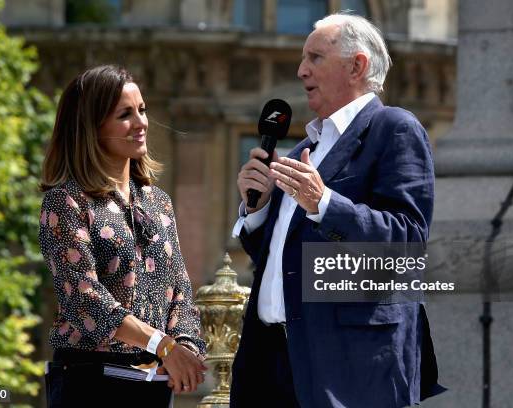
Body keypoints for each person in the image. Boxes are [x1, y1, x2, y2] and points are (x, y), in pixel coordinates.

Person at [231, 13, 445, 408]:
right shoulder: (301, 151)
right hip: (274, 363)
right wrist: (257, 210)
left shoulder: (393, 128)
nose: (300, 70)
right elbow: (285, 257)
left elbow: (407, 242)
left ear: (356, 66)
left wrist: (324, 204)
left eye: (314, 57)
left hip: (350, 368)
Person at [38, 65, 207, 407]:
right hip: (89, 384)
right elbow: (84, 297)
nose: (141, 122)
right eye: (125, 115)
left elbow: (180, 289)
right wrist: (163, 345)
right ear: (93, 128)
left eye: (142, 110)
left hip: (153, 383)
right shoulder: (66, 200)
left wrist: (185, 349)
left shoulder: (158, 202)